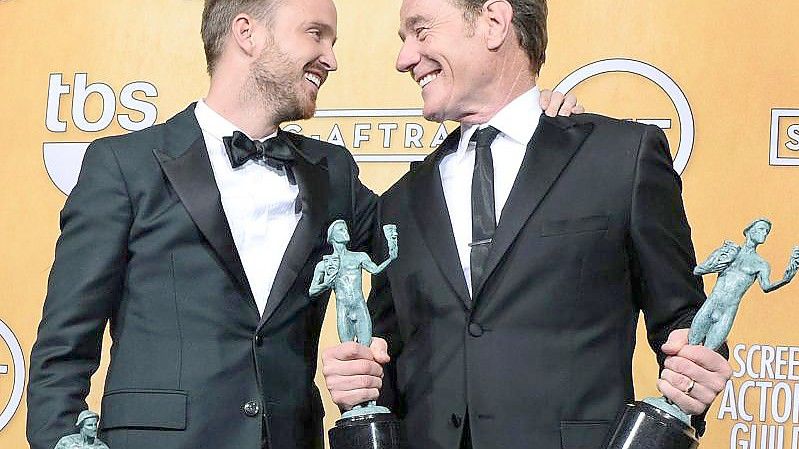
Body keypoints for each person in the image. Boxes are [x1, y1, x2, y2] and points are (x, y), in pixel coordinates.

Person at [26, 1, 578, 448]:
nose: (330, 58)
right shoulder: (125, 164)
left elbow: (427, 232)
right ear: (247, 33)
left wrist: (523, 126)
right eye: (316, 34)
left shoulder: (331, 174)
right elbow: (62, 346)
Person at [321, 1, 733, 449]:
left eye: (420, 32)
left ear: (494, 22)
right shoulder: (400, 201)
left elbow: (686, 320)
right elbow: (386, 358)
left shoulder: (621, 158)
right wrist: (360, 381)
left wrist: (697, 373)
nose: (404, 59)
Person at [690, 219, 799, 349]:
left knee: (707, 353)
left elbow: (766, 287)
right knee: (691, 345)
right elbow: (699, 270)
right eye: (761, 229)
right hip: (711, 304)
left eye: (767, 231)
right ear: (749, 231)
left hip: (728, 311)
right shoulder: (730, 251)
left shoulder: (761, 264)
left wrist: (785, 280)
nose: (764, 233)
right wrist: (718, 261)